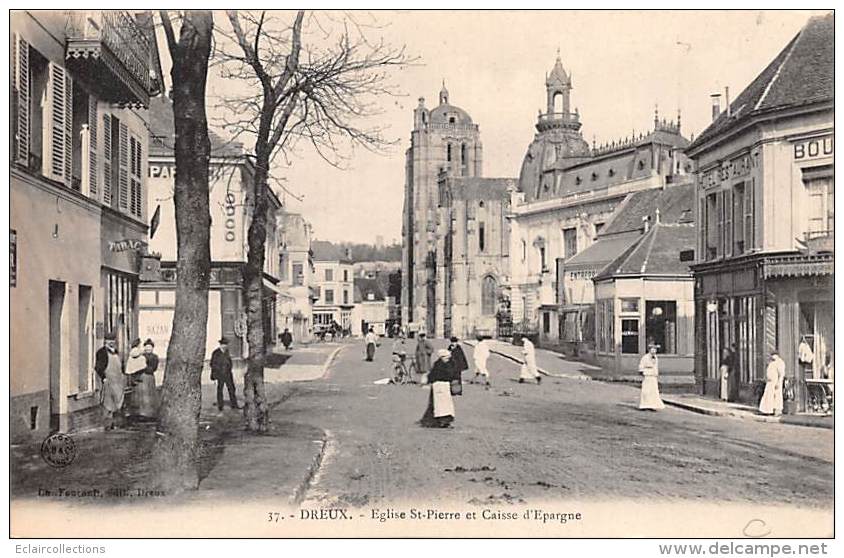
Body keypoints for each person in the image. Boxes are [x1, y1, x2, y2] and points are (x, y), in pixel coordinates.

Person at [94, 332, 125, 430]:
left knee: (117, 403)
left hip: (118, 382)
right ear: (105, 341)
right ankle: (107, 425)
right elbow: (98, 367)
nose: (111, 342)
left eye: (113, 341)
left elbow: (121, 367)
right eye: (109, 340)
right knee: (107, 404)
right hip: (108, 381)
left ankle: (116, 424)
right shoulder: (102, 352)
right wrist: (104, 378)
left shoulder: (116, 352)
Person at [419, 349, 457, 428]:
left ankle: (444, 421)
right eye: (445, 357)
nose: (447, 359)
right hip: (438, 387)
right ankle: (440, 421)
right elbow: (432, 375)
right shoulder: (439, 365)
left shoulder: (447, 364)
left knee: (445, 405)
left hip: (444, 386)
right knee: (440, 406)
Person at [133, 339, 160, 420]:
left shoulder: (155, 357)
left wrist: (145, 368)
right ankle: (142, 413)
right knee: (142, 395)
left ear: (152, 348)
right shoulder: (141, 356)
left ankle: (151, 413)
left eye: (150, 347)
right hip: (142, 377)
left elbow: (154, 368)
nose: (148, 348)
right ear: (144, 347)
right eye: (147, 347)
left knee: (150, 395)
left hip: (150, 377)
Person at [211, 337, 239, 412]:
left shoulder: (227, 352)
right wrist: (216, 374)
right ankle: (220, 406)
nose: (225, 346)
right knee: (220, 389)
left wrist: (230, 369)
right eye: (223, 344)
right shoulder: (216, 353)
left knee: (232, 389)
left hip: (228, 374)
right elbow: (212, 364)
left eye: (226, 344)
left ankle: (234, 405)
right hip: (220, 374)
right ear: (220, 345)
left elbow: (229, 362)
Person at [638, 342, 665, 411]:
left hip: (653, 376)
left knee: (653, 391)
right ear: (649, 350)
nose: (654, 351)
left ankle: (652, 404)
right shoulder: (645, 357)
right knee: (646, 391)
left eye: (655, 349)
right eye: (652, 349)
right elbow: (641, 366)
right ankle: (644, 405)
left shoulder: (656, 358)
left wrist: (656, 374)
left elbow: (656, 367)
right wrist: (643, 371)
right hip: (647, 376)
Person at [125, 338, 147, 419]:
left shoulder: (133, 353)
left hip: (132, 374)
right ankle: (136, 412)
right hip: (136, 374)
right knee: (136, 393)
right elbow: (137, 357)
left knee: (133, 393)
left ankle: (133, 411)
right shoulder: (136, 352)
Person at [759, 351, 785, 416]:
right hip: (770, 382)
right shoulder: (772, 363)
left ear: (777, 355)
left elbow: (781, 374)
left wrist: (778, 382)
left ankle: (777, 410)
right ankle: (767, 410)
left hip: (775, 382)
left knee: (776, 396)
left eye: (773, 355)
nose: (772, 356)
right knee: (769, 396)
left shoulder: (779, 363)